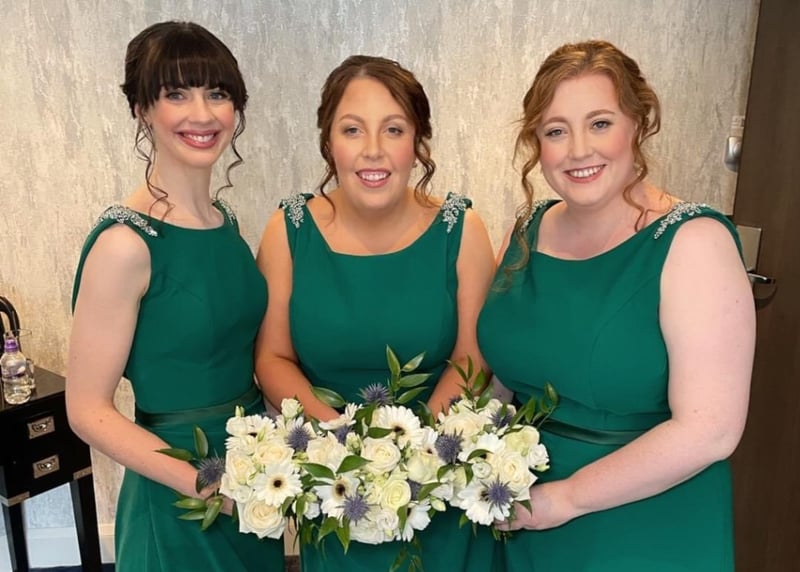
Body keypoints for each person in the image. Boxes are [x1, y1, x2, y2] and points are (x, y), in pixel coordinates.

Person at [477, 40, 755, 571]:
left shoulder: (694, 241)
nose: (578, 150)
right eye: (556, 131)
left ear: (638, 123)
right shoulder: (525, 231)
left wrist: (567, 497)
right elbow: (505, 376)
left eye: (600, 123)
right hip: (522, 513)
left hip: (642, 523)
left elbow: (711, 429)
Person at [254, 55, 498, 571]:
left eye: (393, 129)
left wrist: (415, 448)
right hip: (334, 490)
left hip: (439, 485)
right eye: (352, 129)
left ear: (418, 141)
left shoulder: (462, 229)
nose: (373, 150)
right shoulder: (287, 230)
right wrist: (341, 443)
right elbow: (272, 357)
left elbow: (472, 356)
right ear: (328, 142)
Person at [65, 21, 284, 571]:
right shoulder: (125, 244)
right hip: (178, 493)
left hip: (251, 477)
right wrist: (212, 487)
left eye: (217, 93)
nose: (202, 114)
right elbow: (87, 411)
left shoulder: (224, 222)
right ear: (142, 109)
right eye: (177, 94)